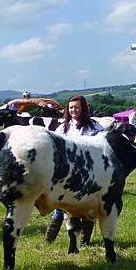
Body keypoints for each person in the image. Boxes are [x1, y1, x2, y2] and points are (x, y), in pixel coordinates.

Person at [45, 95, 104, 242]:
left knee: (87, 207)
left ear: (83, 108)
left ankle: (85, 241)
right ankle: (48, 240)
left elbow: (103, 146)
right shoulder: (62, 128)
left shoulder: (95, 127)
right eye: (71, 107)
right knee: (60, 205)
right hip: (67, 175)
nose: (73, 110)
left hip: (88, 174)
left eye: (77, 107)